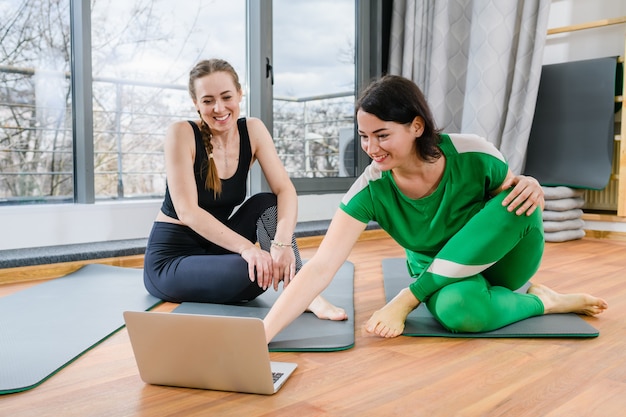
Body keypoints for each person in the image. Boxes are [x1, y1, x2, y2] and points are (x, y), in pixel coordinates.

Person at [263, 74, 608, 342]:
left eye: (382, 135)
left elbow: (511, 207)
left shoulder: (474, 152)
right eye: (364, 136)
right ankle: (545, 302)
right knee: (459, 312)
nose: (370, 147)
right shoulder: (370, 190)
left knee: (521, 198)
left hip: (504, 264)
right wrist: (264, 333)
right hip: (440, 279)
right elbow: (321, 266)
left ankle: (408, 297)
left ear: (416, 126)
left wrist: (530, 183)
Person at [143, 58, 344, 319]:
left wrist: (282, 243)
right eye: (207, 101)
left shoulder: (252, 130)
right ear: (196, 104)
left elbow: (285, 190)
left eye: (227, 96)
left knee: (266, 203)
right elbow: (187, 212)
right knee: (252, 271)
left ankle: (305, 293)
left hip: (216, 247)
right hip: (171, 262)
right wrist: (248, 249)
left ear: (240, 94)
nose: (219, 108)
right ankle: (291, 286)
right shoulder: (181, 133)